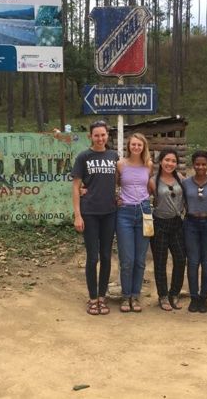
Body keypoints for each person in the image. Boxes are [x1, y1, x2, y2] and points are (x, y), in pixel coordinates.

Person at [71, 120, 119, 316]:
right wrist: (77, 215)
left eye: (103, 135)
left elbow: (121, 179)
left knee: (107, 256)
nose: (100, 138)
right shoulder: (83, 157)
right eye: (96, 135)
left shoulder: (114, 155)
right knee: (93, 257)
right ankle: (92, 298)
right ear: (90, 136)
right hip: (89, 213)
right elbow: (75, 187)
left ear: (108, 135)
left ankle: (102, 297)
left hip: (109, 213)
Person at [116, 133, 153, 313]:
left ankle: (135, 295)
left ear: (143, 147)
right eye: (133, 144)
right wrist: (116, 197)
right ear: (129, 146)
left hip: (144, 212)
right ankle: (125, 295)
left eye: (139, 145)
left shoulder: (148, 165)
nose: (136, 147)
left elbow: (150, 187)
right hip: (125, 213)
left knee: (140, 259)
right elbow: (114, 184)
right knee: (127, 259)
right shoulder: (121, 164)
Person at [149, 148, 186, 311]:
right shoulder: (152, 181)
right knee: (160, 261)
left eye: (173, 161)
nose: (170, 164)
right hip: (159, 224)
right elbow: (142, 196)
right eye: (167, 160)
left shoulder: (182, 179)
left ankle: (174, 293)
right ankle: (163, 296)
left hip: (177, 224)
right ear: (160, 161)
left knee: (180, 259)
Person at [182, 150, 207, 313]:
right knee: (193, 261)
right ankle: (194, 297)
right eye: (197, 164)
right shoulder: (186, 183)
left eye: (204, 164)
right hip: (191, 223)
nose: (200, 167)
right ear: (193, 165)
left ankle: (204, 297)